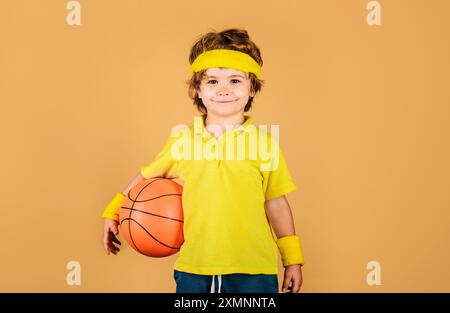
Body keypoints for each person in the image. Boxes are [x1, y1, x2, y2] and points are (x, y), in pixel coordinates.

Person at [102, 28, 304, 293]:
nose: (223, 90)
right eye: (212, 82)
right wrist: (113, 212)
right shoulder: (182, 141)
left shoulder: (265, 144)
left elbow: (276, 202)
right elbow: (146, 176)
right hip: (195, 268)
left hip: (255, 269)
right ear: (197, 89)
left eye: (235, 81)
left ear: (252, 88)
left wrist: (293, 260)